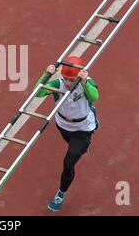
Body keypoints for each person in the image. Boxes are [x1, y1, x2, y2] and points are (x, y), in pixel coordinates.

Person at [35, 56, 99, 212]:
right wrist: (46, 75)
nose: (68, 83)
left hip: (82, 129)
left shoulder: (86, 81)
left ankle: (60, 194)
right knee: (71, 146)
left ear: (78, 76)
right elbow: (38, 92)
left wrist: (84, 83)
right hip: (63, 126)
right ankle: (79, 147)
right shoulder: (58, 84)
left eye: (71, 80)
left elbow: (95, 96)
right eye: (66, 79)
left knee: (69, 162)